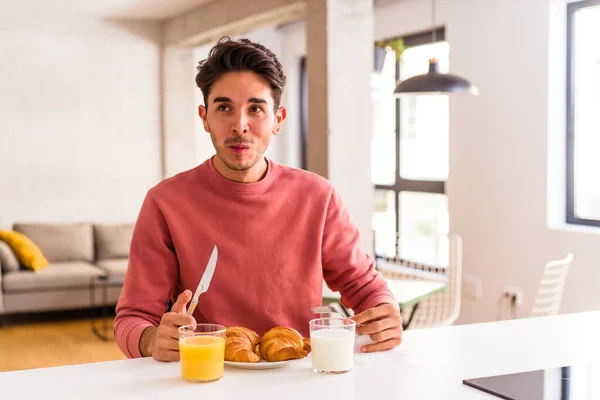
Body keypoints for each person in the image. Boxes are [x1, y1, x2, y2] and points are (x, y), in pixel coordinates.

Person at [114, 36, 402, 362]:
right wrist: (152, 340)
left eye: (256, 108)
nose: (240, 125)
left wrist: (384, 310)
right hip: (208, 376)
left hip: (301, 373)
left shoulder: (318, 197)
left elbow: (364, 286)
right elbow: (132, 319)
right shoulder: (165, 203)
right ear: (204, 117)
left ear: (278, 119)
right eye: (224, 108)